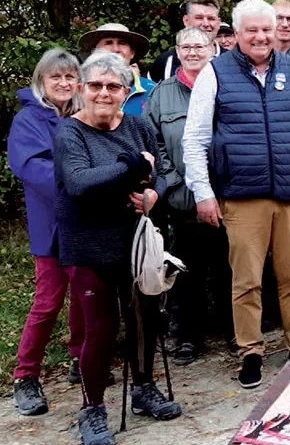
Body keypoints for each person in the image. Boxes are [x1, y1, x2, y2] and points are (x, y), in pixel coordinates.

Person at [181, 0, 290, 388]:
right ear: (237, 33)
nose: (261, 36)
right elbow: (195, 139)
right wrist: (203, 191)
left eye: (266, 29)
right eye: (252, 30)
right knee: (246, 280)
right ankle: (250, 351)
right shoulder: (215, 73)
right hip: (242, 195)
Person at [55, 52, 182, 445]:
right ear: (81, 89)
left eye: (113, 87)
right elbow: (79, 182)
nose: (104, 94)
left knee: (145, 320)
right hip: (88, 245)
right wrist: (131, 167)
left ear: (126, 92)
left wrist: (153, 195)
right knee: (101, 329)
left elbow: (158, 172)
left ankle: (143, 390)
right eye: (95, 86)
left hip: (135, 242)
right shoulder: (69, 134)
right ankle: (92, 409)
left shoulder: (139, 126)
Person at [146, 27, 233, 366]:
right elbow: (153, 143)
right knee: (188, 273)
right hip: (184, 200)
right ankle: (188, 338)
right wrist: (178, 181)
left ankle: (233, 330)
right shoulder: (162, 94)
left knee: (230, 269)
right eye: (186, 46)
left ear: (213, 49)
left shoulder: (227, 85)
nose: (193, 52)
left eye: (200, 46)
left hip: (228, 197)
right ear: (177, 51)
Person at [9, 48, 85, 416]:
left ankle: (79, 359)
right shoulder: (29, 119)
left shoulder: (85, 115)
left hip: (88, 223)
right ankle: (26, 375)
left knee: (86, 297)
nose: (63, 83)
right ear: (42, 80)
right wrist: (81, 184)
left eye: (70, 77)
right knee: (48, 301)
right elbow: (31, 167)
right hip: (52, 224)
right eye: (56, 77)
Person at [78, 23, 155, 116]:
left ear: (132, 53)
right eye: (108, 42)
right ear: (94, 51)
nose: (115, 49)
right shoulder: (79, 89)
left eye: (122, 43)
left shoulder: (153, 90)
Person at [148, 0, 223, 82]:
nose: (206, 24)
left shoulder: (232, 60)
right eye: (199, 18)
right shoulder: (165, 62)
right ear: (186, 21)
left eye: (211, 18)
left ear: (218, 23)